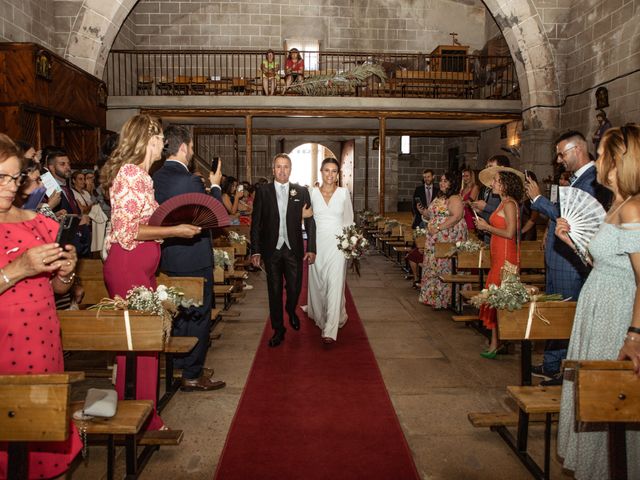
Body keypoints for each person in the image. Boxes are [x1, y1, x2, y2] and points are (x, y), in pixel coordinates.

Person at [100, 114, 201, 430]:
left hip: (137, 266)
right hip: (129, 265)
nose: (163, 145)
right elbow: (128, 231)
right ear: (147, 140)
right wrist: (174, 231)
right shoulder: (132, 174)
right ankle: (142, 417)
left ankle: (141, 412)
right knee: (140, 346)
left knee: (142, 345)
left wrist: (166, 229)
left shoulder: (140, 175)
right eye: (159, 139)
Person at [556, 124, 640, 479]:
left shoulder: (634, 209)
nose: (599, 159)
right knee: (592, 398)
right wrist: (573, 241)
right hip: (597, 308)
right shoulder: (615, 204)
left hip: (616, 315)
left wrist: (634, 334)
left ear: (620, 161)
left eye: (603, 153)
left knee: (610, 401)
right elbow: (604, 261)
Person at [0, 133, 81, 479]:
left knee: (45, 442)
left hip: (42, 341)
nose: (9, 185)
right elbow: (23, 272)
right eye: (0, 177)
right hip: (4, 346)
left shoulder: (39, 222)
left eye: (14, 177)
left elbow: (58, 288)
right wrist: (19, 269)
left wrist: (67, 270)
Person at [525, 130, 612, 384]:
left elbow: (575, 220)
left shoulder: (593, 180)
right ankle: (553, 364)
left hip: (571, 262)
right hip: (559, 258)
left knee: (566, 315)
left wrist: (538, 199)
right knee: (557, 313)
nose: (559, 159)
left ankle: (564, 371)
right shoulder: (577, 180)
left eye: (562, 154)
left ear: (577, 150)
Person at [152, 125, 225, 392]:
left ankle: (182, 363)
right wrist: (215, 185)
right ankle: (192, 374)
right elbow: (212, 220)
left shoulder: (155, 178)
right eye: (192, 147)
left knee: (179, 314)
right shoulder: (191, 180)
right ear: (183, 148)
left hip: (167, 258)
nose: (192, 152)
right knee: (199, 315)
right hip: (194, 258)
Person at [250, 153, 316, 347]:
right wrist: (255, 250)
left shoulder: (301, 191)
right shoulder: (263, 191)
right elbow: (256, 224)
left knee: (295, 288)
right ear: (273, 170)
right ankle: (279, 329)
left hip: (293, 249)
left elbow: (310, 221)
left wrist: (311, 247)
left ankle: (291, 309)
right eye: (278, 166)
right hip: (272, 250)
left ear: (291, 169)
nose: (282, 170)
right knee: (275, 291)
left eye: (286, 166)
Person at [475, 166, 525, 358]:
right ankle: (498, 341)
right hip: (498, 253)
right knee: (497, 298)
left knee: (497, 296)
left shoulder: (510, 204)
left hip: (506, 256)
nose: (492, 184)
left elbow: (510, 233)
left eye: (496, 181)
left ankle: (497, 343)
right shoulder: (502, 202)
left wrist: (487, 227)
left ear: (505, 184)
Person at [307, 158, 354, 343]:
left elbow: (349, 221)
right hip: (316, 245)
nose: (330, 174)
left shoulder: (343, 193)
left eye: (334, 171)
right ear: (321, 171)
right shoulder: (311, 193)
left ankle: (330, 330)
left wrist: (350, 244)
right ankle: (319, 314)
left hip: (338, 245)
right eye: (327, 170)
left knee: (335, 284)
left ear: (338, 174)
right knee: (318, 283)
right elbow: (307, 219)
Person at [418, 171, 467, 309]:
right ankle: (434, 298)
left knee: (444, 266)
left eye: (445, 181)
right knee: (434, 266)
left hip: (447, 237)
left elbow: (456, 217)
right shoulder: (440, 196)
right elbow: (433, 213)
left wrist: (438, 227)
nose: (442, 183)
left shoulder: (455, 198)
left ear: (452, 183)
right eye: (441, 180)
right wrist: (424, 212)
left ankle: (445, 298)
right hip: (435, 238)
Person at [460, 168, 480, 232]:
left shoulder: (475, 187)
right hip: (462, 216)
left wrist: (457, 203)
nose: (465, 178)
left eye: (467, 176)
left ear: (471, 177)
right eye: (463, 176)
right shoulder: (463, 189)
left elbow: (469, 201)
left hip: (470, 216)